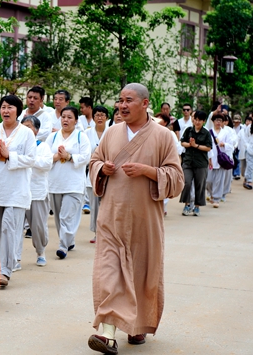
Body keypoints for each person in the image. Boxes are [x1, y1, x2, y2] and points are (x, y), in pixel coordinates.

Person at [87, 84, 184, 354]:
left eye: (128, 100)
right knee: (109, 273)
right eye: (120, 101)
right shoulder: (111, 133)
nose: (122, 106)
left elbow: (177, 180)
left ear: (145, 103)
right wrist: (101, 168)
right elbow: (93, 161)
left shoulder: (164, 136)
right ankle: (107, 334)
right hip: (111, 217)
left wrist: (149, 171)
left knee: (142, 274)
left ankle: (137, 325)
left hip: (145, 220)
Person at [0, 95, 36, 287]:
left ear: (18, 110)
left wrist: (10, 156)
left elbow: (31, 158)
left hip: (16, 190)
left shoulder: (26, 133)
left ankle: (5, 271)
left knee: (10, 229)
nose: (6, 111)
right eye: (3, 107)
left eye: (10, 107)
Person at [47, 106, 91, 259]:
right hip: (55, 183)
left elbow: (86, 157)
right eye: (63, 117)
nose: (65, 120)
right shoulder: (52, 137)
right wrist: (56, 157)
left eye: (69, 117)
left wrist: (69, 156)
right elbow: (44, 156)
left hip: (73, 184)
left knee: (66, 216)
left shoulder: (81, 137)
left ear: (76, 120)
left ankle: (62, 246)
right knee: (59, 217)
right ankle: (68, 240)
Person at [19, 115, 52, 266]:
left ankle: (40, 251)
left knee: (38, 226)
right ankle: (15, 258)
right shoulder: (18, 145)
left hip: (37, 192)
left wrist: (28, 160)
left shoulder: (43, 146)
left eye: (29, 127)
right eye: (23, 126)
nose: (25, 130)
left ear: (37, 131)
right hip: (19, 191)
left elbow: (47, 164)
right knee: (16, 226)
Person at [180, 110, 212, 216]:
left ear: (204, 121)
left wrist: (196, 146)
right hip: (188, 162)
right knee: (187, 183)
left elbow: (208, 147)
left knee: (200, 185)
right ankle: (186, 204)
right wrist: (190, 145)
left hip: (201, 163)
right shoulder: (188, 130)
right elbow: (182, 142)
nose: (197, 122)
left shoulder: (206, 133)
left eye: (200, 120)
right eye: (196, 119)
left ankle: (197, 206)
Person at [85, 106, 109, 243]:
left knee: (107, 205)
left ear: (106, 117)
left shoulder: (112, 132)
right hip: (93, 172)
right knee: (94, 206)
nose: (99, 118)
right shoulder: (86, 133)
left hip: (108, 172)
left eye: (102, 115)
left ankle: (106, 232)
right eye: (97, 115)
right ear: (93, 118)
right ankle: (96, 232)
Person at [206, 113, 235, 208]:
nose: (218, 122)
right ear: (213, 121)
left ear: (223, 122)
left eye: (220, 121)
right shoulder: (209, 132)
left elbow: (231, 145)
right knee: (208, 180)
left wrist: (224, 144)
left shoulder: (226, 133)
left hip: (221, 159)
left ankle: (217, 198)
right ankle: (211, 193)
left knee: (219, 180)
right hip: (210, 158)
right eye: (216, 120)